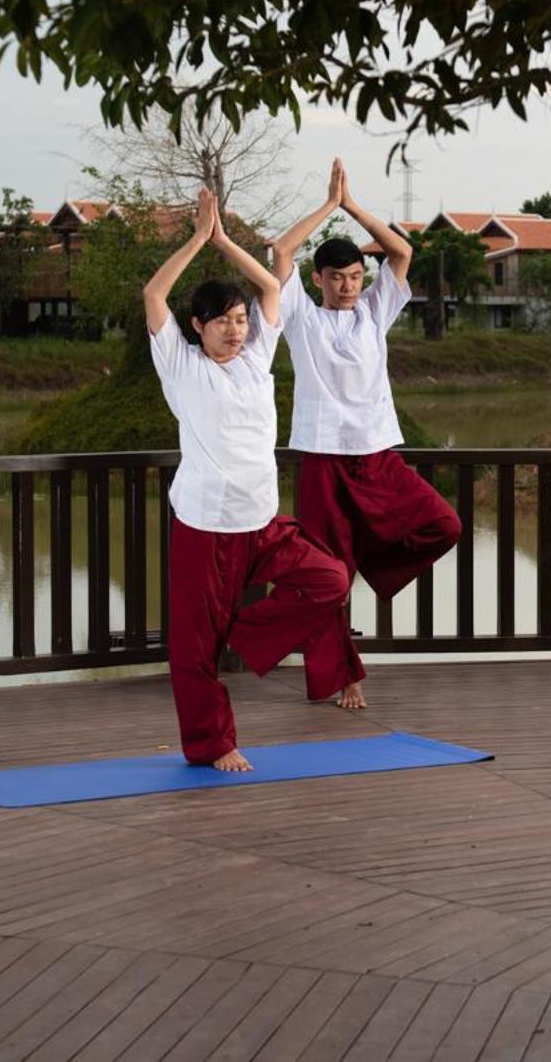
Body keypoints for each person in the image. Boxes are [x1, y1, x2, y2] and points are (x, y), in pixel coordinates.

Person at [144, 187, 357, 771]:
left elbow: (270, 287)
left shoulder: (257, 360)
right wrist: (196, 240)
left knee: (330, 580)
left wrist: (226, 242)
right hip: (205, 529)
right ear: (198, 327)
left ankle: (246, 637)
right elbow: (153, 293)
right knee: (192, 652)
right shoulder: (181, 366)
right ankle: (215, 745)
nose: (236, 331)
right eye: (222, 323)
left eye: (240, 321)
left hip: (261, 525)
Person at [269, 160, 463, 708]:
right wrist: (327, 208)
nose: (349, 286)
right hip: (323, 461)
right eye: (338, 278)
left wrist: (353, 206)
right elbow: (280, 255)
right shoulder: (303, 320)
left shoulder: (373, 314)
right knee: (327, 576)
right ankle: (344, 677)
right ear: (318, 280)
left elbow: (401, 254)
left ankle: (371, 564)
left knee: (444, 524)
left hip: (378, 458)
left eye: (356, 277)